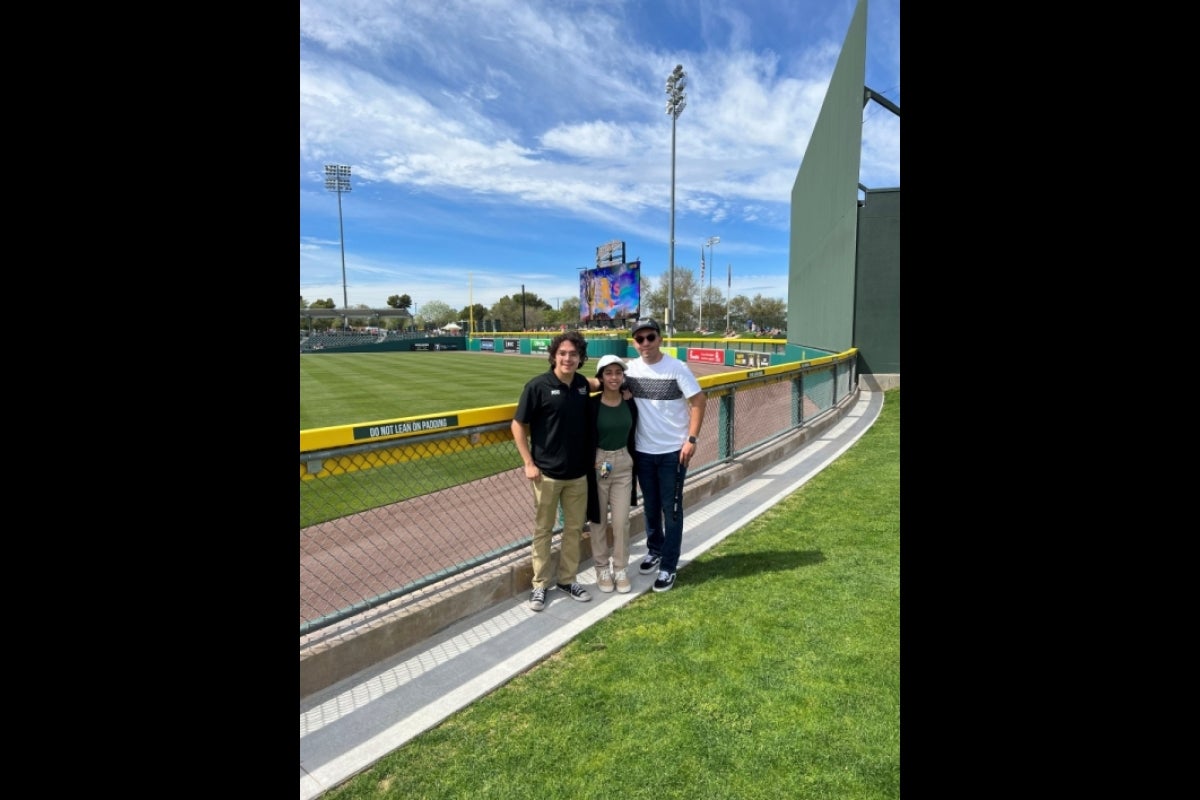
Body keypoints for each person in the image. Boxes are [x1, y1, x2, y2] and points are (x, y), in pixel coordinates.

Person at [511, 331, 597, 611]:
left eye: (573, 354)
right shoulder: (538, 386)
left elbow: (598, 383)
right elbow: (517, 424)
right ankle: (540, 585)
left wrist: (622, 384)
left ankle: (567, 579)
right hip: (546, 474)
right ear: (554, 356)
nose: (568, 358)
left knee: (573, 529)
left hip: (578, 474)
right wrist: (528, 462)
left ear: (580, 357)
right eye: (563, 353)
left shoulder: (582, 385)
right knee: (543, 530)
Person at [623, 318, 705, 593]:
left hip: (673, 452)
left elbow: (698, 400)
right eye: (640, 339)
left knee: (671, 510)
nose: (645, 343)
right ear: (634, 342)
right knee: (650, 507)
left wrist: (691, 439)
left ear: (659, 338)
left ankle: (669, 565)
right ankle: (655, 549)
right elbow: (603, 382)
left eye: (650, 337)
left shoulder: (676, 367)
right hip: (644, 452)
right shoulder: (629, 369)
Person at [585, 354, 639, 594]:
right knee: (598, 521)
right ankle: (601, 568)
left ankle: (620, 568)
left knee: (621, 522)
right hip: (599, 463)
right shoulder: (592, 405)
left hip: (624, 463)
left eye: (618, 373)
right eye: (608, 373)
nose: (614, 377)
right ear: (601, 377)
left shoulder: (629, 402)